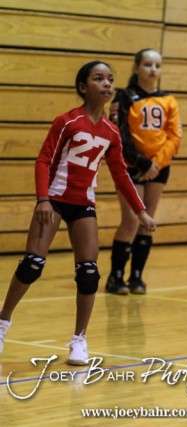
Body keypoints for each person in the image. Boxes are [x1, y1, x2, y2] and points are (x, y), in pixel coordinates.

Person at [0, 61, 156, 365]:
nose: (107, 84)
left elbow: (121, 174)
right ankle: (3, 320)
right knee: (32, 265)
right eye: (99, 79)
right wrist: (43, 199)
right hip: (54, 199)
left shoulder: (112, 132)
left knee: (88, 273)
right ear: (83, 87)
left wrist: (141, 212)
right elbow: (44, 159)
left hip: (83, 203)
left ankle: (79, 340)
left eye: (110, 79)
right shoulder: (67, 121)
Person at [104, 48, 181, 295]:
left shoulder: (168, 100)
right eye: (147, 64)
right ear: (136, 67)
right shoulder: (124, 97)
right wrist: (141, 162)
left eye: (157, 65)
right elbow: (120, 133)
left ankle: (136, 277)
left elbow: (174, 137)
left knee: (147, 222)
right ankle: (116, 276)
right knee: (131, 220)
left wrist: (155, 163)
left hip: (159, 168)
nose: (153, 70)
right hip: (131, 166)